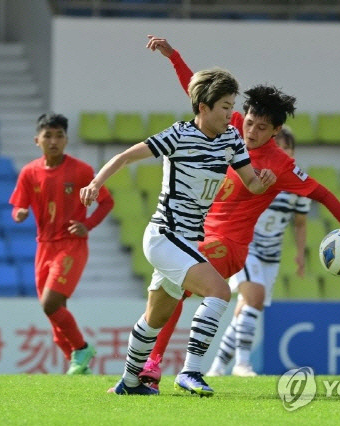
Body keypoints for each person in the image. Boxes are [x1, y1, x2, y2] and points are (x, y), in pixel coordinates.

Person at [138, 35, 340, 387]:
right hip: (198, 232)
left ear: (277, 130)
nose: (251, 132)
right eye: (249, 123)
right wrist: (173, 56)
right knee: (167, 293)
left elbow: (325, 195)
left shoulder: (281, 165)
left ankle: (169, 368)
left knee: (176, 289)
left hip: (231, 243)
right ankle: (159, 366)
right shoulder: (232, 126)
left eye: (262, 128)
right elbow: (198, 95)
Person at [80, 67, 276, 396]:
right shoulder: (178, 136)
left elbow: (251, 183)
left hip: (186, 241)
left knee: (154, 318)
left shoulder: (230, 140)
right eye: (225, 106)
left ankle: (129, 383)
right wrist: (96, 183)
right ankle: (191, 372)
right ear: (203, 108)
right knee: (220, 292)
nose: (232, 114)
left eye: (232, 105)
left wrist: (263, 183)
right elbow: (125, 157)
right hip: (164, 235)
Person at [9, 113, 114, 375]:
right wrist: (20, 214)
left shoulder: (81, 171)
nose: (53, 141)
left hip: (71, 244)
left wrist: (87, 225)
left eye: (59, 135)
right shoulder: (29, 172)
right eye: (48, 135)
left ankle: (81, 348)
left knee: (50, 304)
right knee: (55, 314)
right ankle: (78, 367)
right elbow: (18, 207)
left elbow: (106, 201)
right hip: (43, 246)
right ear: (37, 140)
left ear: (66, 139)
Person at [206, 127, 311, 377]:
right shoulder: (254, 175)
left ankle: (218, 366)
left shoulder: (298, 184)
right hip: (247, 247)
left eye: (288, 148)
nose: (284, 152)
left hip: (271, 255)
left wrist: (300, 253)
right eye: (280, 147)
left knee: (248, 309)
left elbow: (300, 222)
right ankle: (242, 364)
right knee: (253, 300)